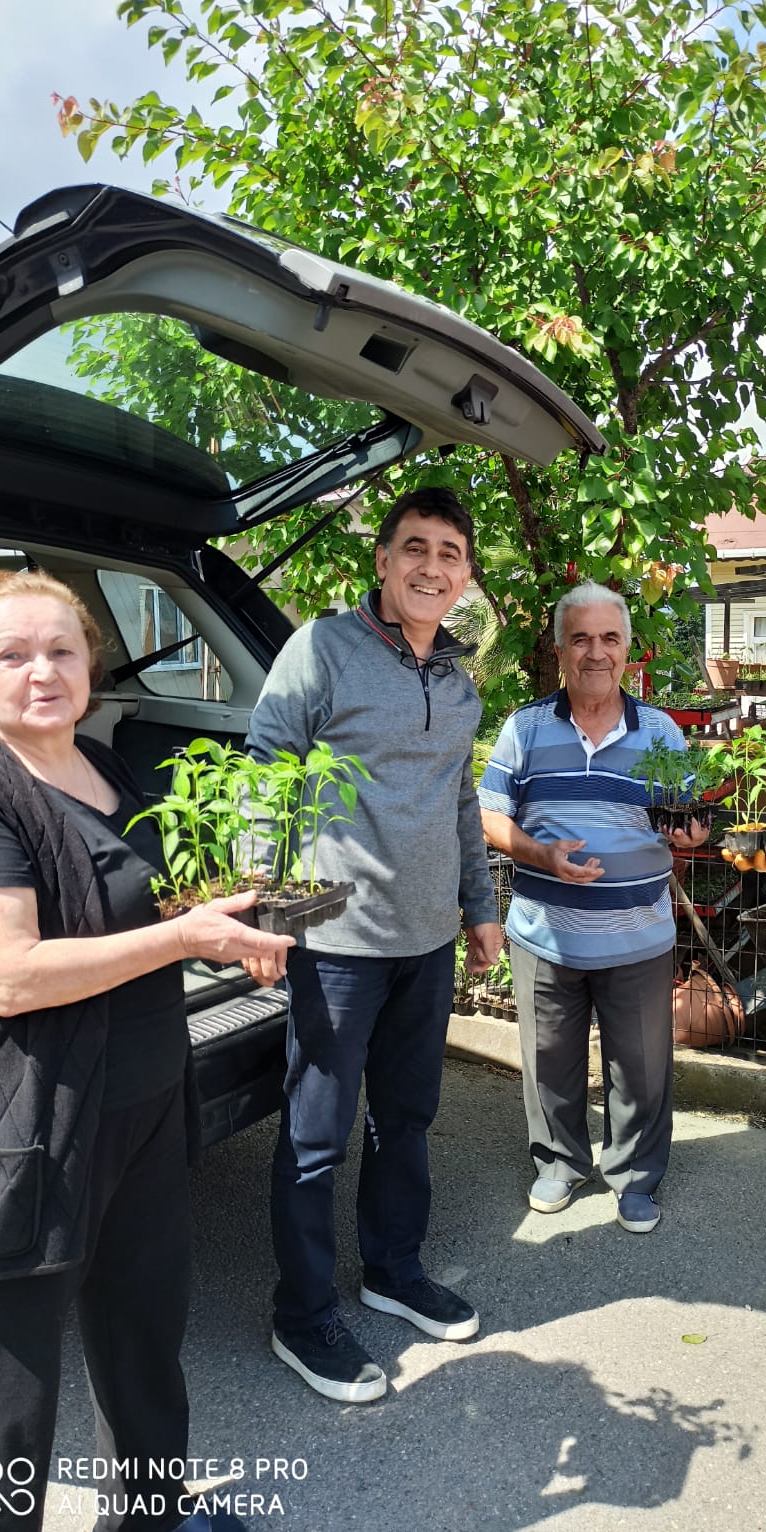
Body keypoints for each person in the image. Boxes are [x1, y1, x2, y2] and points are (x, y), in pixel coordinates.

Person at [0, 570, 294, 1532]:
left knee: (142, 1328)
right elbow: (9, 976)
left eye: (62, 649)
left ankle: (144, 1514)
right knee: (6, 1392)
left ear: (91, 663)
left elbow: (141, 907)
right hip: (23, 1124)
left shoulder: (97, 763)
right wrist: (185, 938)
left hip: (143, 1101)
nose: (43, 671)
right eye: (11, 654)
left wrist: (230, 922)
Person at [245, 485, 503, 1405]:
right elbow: (266, 773)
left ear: (464, 576)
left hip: (426, 941)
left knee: (407, 1119)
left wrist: (479, 906)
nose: (432, 567)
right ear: (384, 560)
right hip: (335, 941)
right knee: (314, 1138)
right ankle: (302, 1315)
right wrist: (268, 915)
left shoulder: (460, 681)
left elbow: (460, 800)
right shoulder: (321, 649)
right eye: (415, 549)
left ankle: (392, 1271)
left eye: (450, 554)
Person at [478, 581, 706, 1235]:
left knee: (641, 1067)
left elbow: (681, 814)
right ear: (559, 650)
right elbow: (488, 814)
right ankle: (559, 1163)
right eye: (580, 639)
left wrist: (691, 831)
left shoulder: (659, 731)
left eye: (609, 638)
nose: (595, 652)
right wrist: (539, 854)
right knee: (549, 1059)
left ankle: (635, 1177)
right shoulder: (525, 728)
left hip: (638, 934)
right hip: (544, 933)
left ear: (627, 649)